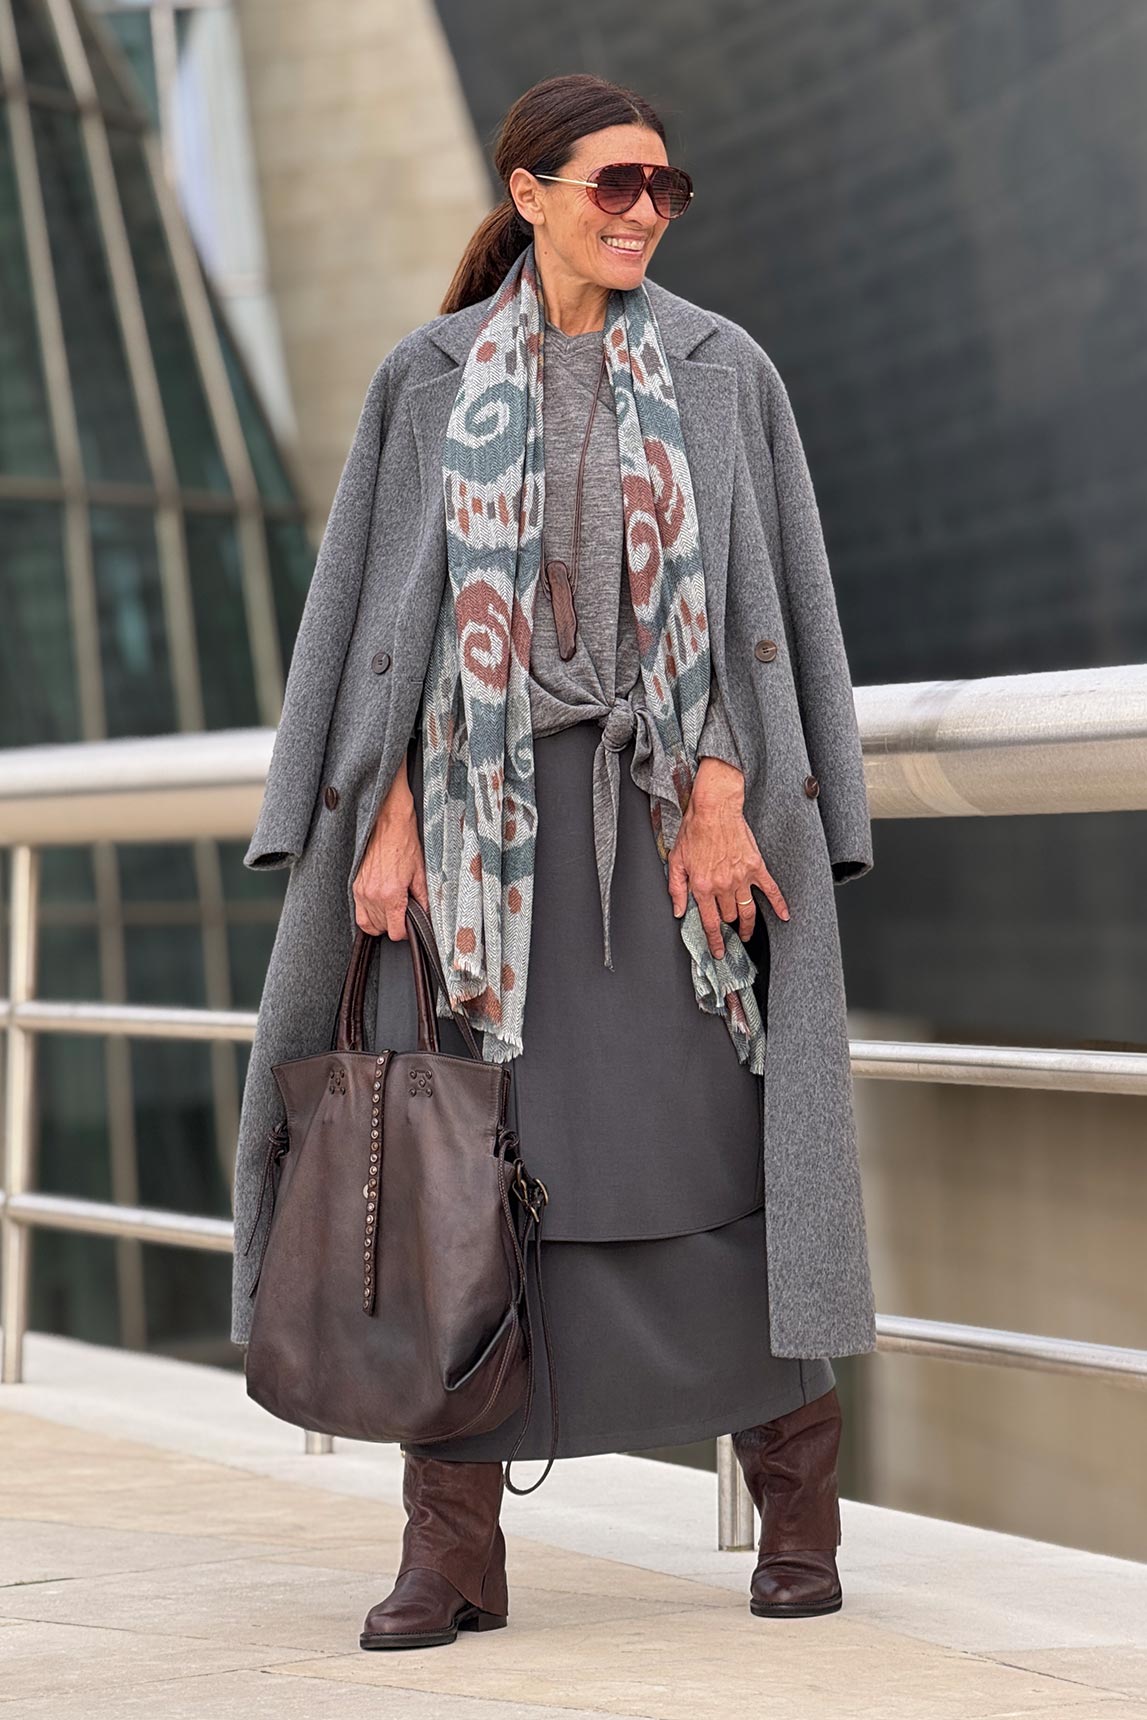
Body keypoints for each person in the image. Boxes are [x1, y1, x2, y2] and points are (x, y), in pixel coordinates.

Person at [231, 72, 877, 1652]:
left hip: (674, 850)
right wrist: (381, 819)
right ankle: (451, 1553)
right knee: (457, 1169)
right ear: (529, 195)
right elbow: (377, 623)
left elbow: (771, 602)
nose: (644, 211)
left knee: (716, 1158)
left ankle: (796, 1513)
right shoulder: (427, 377)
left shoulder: (724, 370)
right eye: (614, 184)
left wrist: (725, 788)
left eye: (664, 186)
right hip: (469, 852)